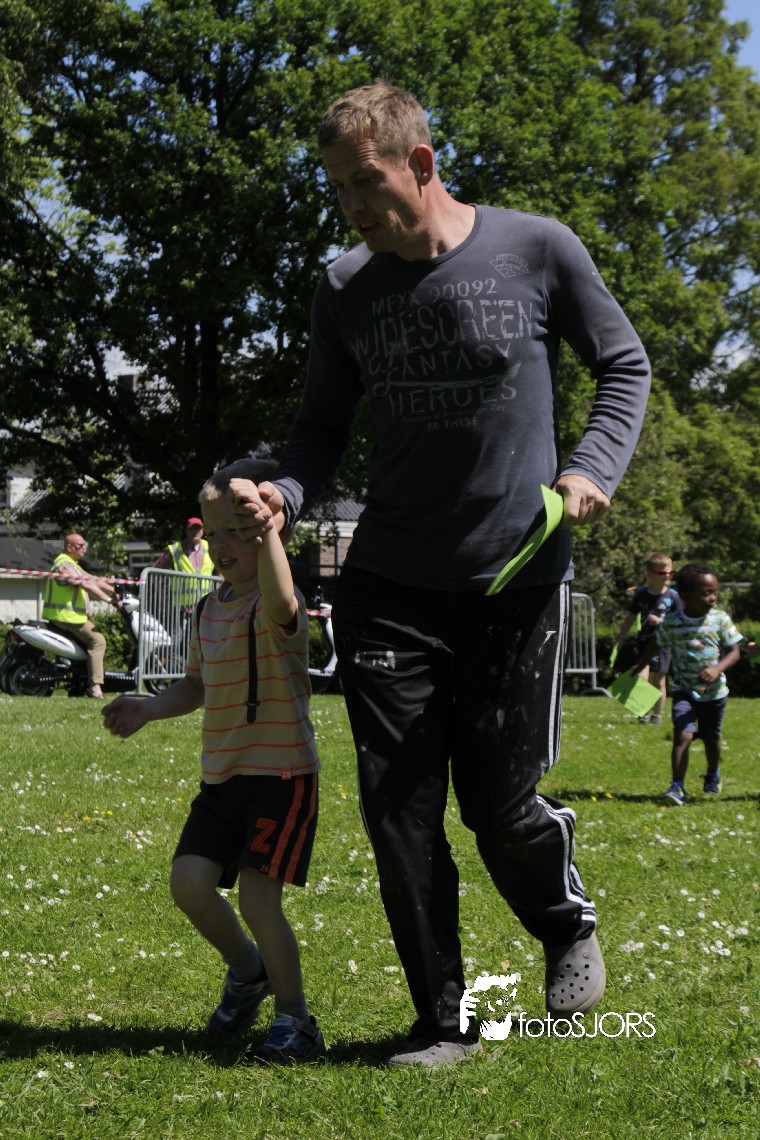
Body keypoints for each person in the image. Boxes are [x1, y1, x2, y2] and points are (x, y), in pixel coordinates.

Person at [233, 81, 651, 1067]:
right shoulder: (345, 287)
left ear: (419, 165)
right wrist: (284, 494)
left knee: (499, 807)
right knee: (401, 816)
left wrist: (590, 469)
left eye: (366, 183)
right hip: (388, 586)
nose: (353, 207)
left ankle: (562, 923)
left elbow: (622, 364)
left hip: (515, 580)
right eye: (338, 190)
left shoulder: (536, 248)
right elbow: (319, 432)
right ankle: (441, 1022)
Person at [102, 459, 325, 1063]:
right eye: (215, 531)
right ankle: (248, 971)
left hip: (280, 777)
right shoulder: (209, 609)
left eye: (239, 531)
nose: (222, 544)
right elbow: (197, 685)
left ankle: (295, 1019)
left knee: (258, 900)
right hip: (222, 778)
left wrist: (269, 530)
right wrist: (150, 708)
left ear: (268, 533)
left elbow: (281, 594)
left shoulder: (277, 605)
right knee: (189, 885)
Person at [638, 562, 743, 806]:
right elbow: (657, 642)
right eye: (706, 593)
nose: (713, 598)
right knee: (682, 736)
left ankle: (713, 773)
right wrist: (640, 663)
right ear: (686, 596)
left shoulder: (719, 619)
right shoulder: (673, 621)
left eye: (714, 592)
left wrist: (716, 669)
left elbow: (735, 651)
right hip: (683, 690)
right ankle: (676, 786)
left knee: (710, 738)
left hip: (714, 694)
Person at [42, 533, 115, 699]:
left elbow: (92, 579)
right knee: (98, 641)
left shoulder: (72, 563)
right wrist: (109, 600)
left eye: (85, 545)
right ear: (69, 547)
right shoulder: (64, 563)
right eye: (80, 545)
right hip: (67, 617)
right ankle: (95, 686)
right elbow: (85, 584)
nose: (84, 549)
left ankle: (79, 684)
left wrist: (115, 590)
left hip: (69, 616)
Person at [614, 552, 681, 724]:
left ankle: (656, 715)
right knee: (641, 678)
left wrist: (660, 622)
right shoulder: (642, 594)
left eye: (670, 572)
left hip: (664, 645)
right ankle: (643, 709)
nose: (667, 576)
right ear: (650, 574)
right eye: (662, 573)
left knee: (658, 682)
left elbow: (680, 621)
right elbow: (630, 618)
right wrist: (620, 637)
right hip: (645, 642)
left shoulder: (673, 596)